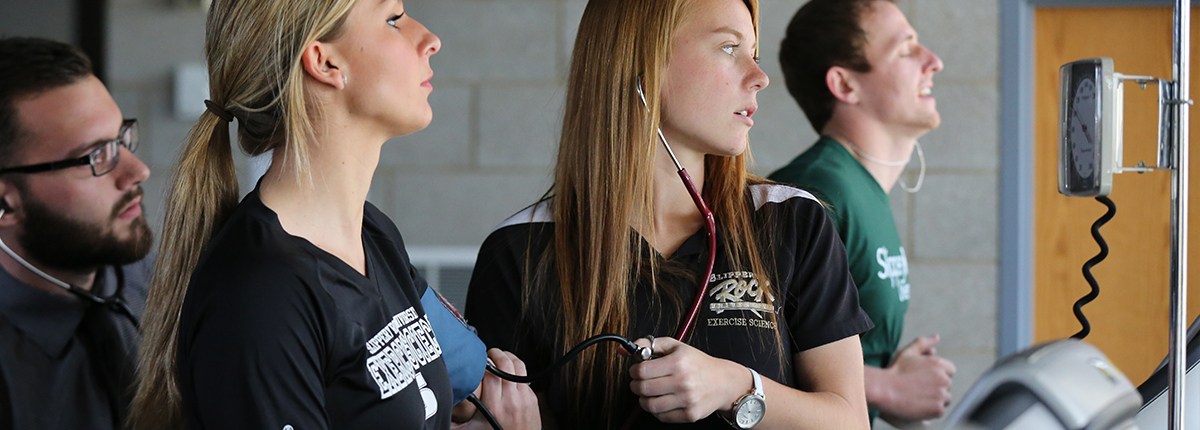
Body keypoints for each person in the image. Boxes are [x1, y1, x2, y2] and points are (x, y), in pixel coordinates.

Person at [464, 0, 874, 429]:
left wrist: (736, 386)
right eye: (730, 48)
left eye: (755, 53)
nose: (759, 77)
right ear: (643, 60)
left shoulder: (791, 220)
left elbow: (850, 420)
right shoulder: (519, 249)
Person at [128, 1, 538, 429]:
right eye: (393, 20)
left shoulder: (372, 232)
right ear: (324, 61)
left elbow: (473, 382)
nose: (431, 40)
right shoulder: (262, 295)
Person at [768, 0, 956, 427]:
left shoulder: (860, 189)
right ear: (846, 85)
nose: (934, 61)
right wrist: (887, 386)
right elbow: (751, 352)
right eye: (907, 49)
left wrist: (886, 372)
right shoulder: (815, 193)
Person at [0, 37, 154, 429]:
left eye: (121, 139)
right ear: (6, 203)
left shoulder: (162, 283)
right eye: (95, 156)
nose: (137, 172)